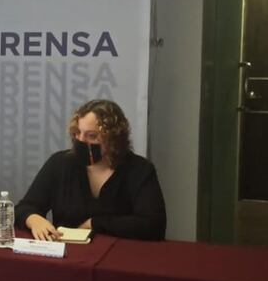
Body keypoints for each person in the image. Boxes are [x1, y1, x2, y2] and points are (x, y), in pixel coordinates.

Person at [16, 99, 166, 241]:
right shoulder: (60, 163)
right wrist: (34, 220)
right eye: (77, 133)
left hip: (119, 256)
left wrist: (95, 223)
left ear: (114, 139)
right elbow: (24, 207)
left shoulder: (140, 170)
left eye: (92, 136)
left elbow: (153, 225)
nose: (81, 141)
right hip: (67, 254)